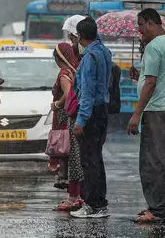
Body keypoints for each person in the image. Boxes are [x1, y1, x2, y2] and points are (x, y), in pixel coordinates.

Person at [127, 8, 165, 223]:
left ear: (151, 22)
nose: (139, 30)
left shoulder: (153, 47)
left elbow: (151, 83)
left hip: (156, 112)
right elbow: (159, 76)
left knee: (153, 163)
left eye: (141, 25)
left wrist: (136, 114)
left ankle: (157, 209)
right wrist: (139, 75)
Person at [70, 17, 112, 219]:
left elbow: (87, 92)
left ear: (79, 36)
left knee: (89, 161)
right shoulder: (104, 52)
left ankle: (92, 205)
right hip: (102, 111)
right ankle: (100, 204)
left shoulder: (89, 58)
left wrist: (80, 121)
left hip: (91, 114)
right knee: (97, 158)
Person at [50, 43, 84, 211]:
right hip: (75, 116)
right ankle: (77, 195)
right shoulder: (75, 70)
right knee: (75, 157)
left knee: (70, 158)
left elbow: (68, 92)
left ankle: (73, 197)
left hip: (66, 119)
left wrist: (57, 104)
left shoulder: (64, 73)